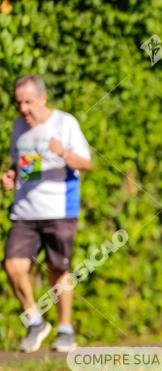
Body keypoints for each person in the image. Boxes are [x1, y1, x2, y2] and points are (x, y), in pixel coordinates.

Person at [1, 74, 92, 352]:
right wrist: (11, 176)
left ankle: (65, 330)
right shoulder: (19, 127)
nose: (24, 109)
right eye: (19, 103)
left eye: (29, 102)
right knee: (13, 266)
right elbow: (25, 167)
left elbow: (86, 163)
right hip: (25, 211)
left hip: (59, 208)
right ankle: (35, 321)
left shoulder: (65, 123)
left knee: (58, 269)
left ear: (43, 98)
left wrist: (62, 151)